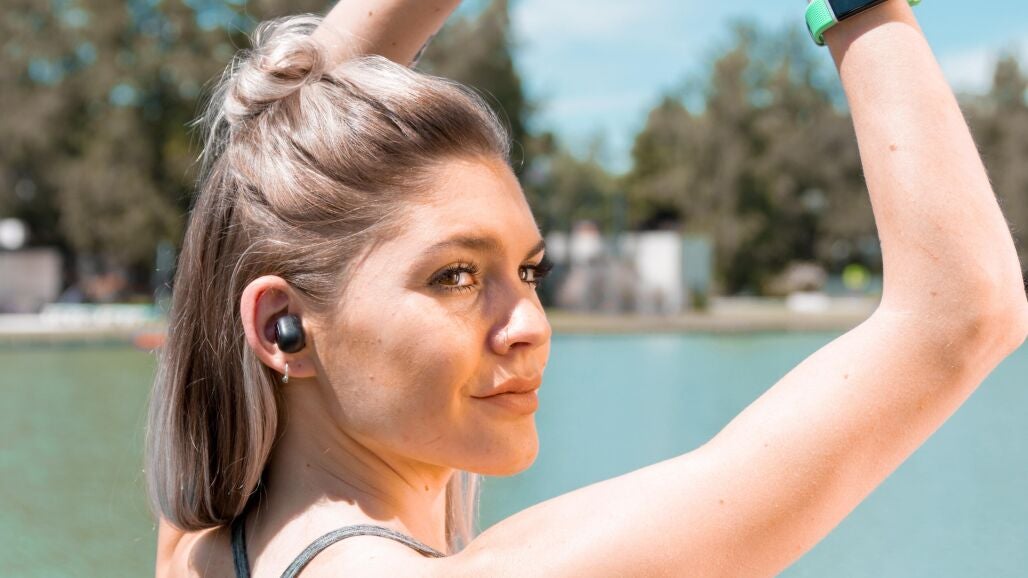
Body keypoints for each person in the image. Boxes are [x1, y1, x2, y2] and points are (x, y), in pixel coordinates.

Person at [148, 1, 1028, 576]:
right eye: (455, 277)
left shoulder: (203, 549)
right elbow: (963, 310)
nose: (529, 324)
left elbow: (255, 200)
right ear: (282, 324)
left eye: (528, 271)